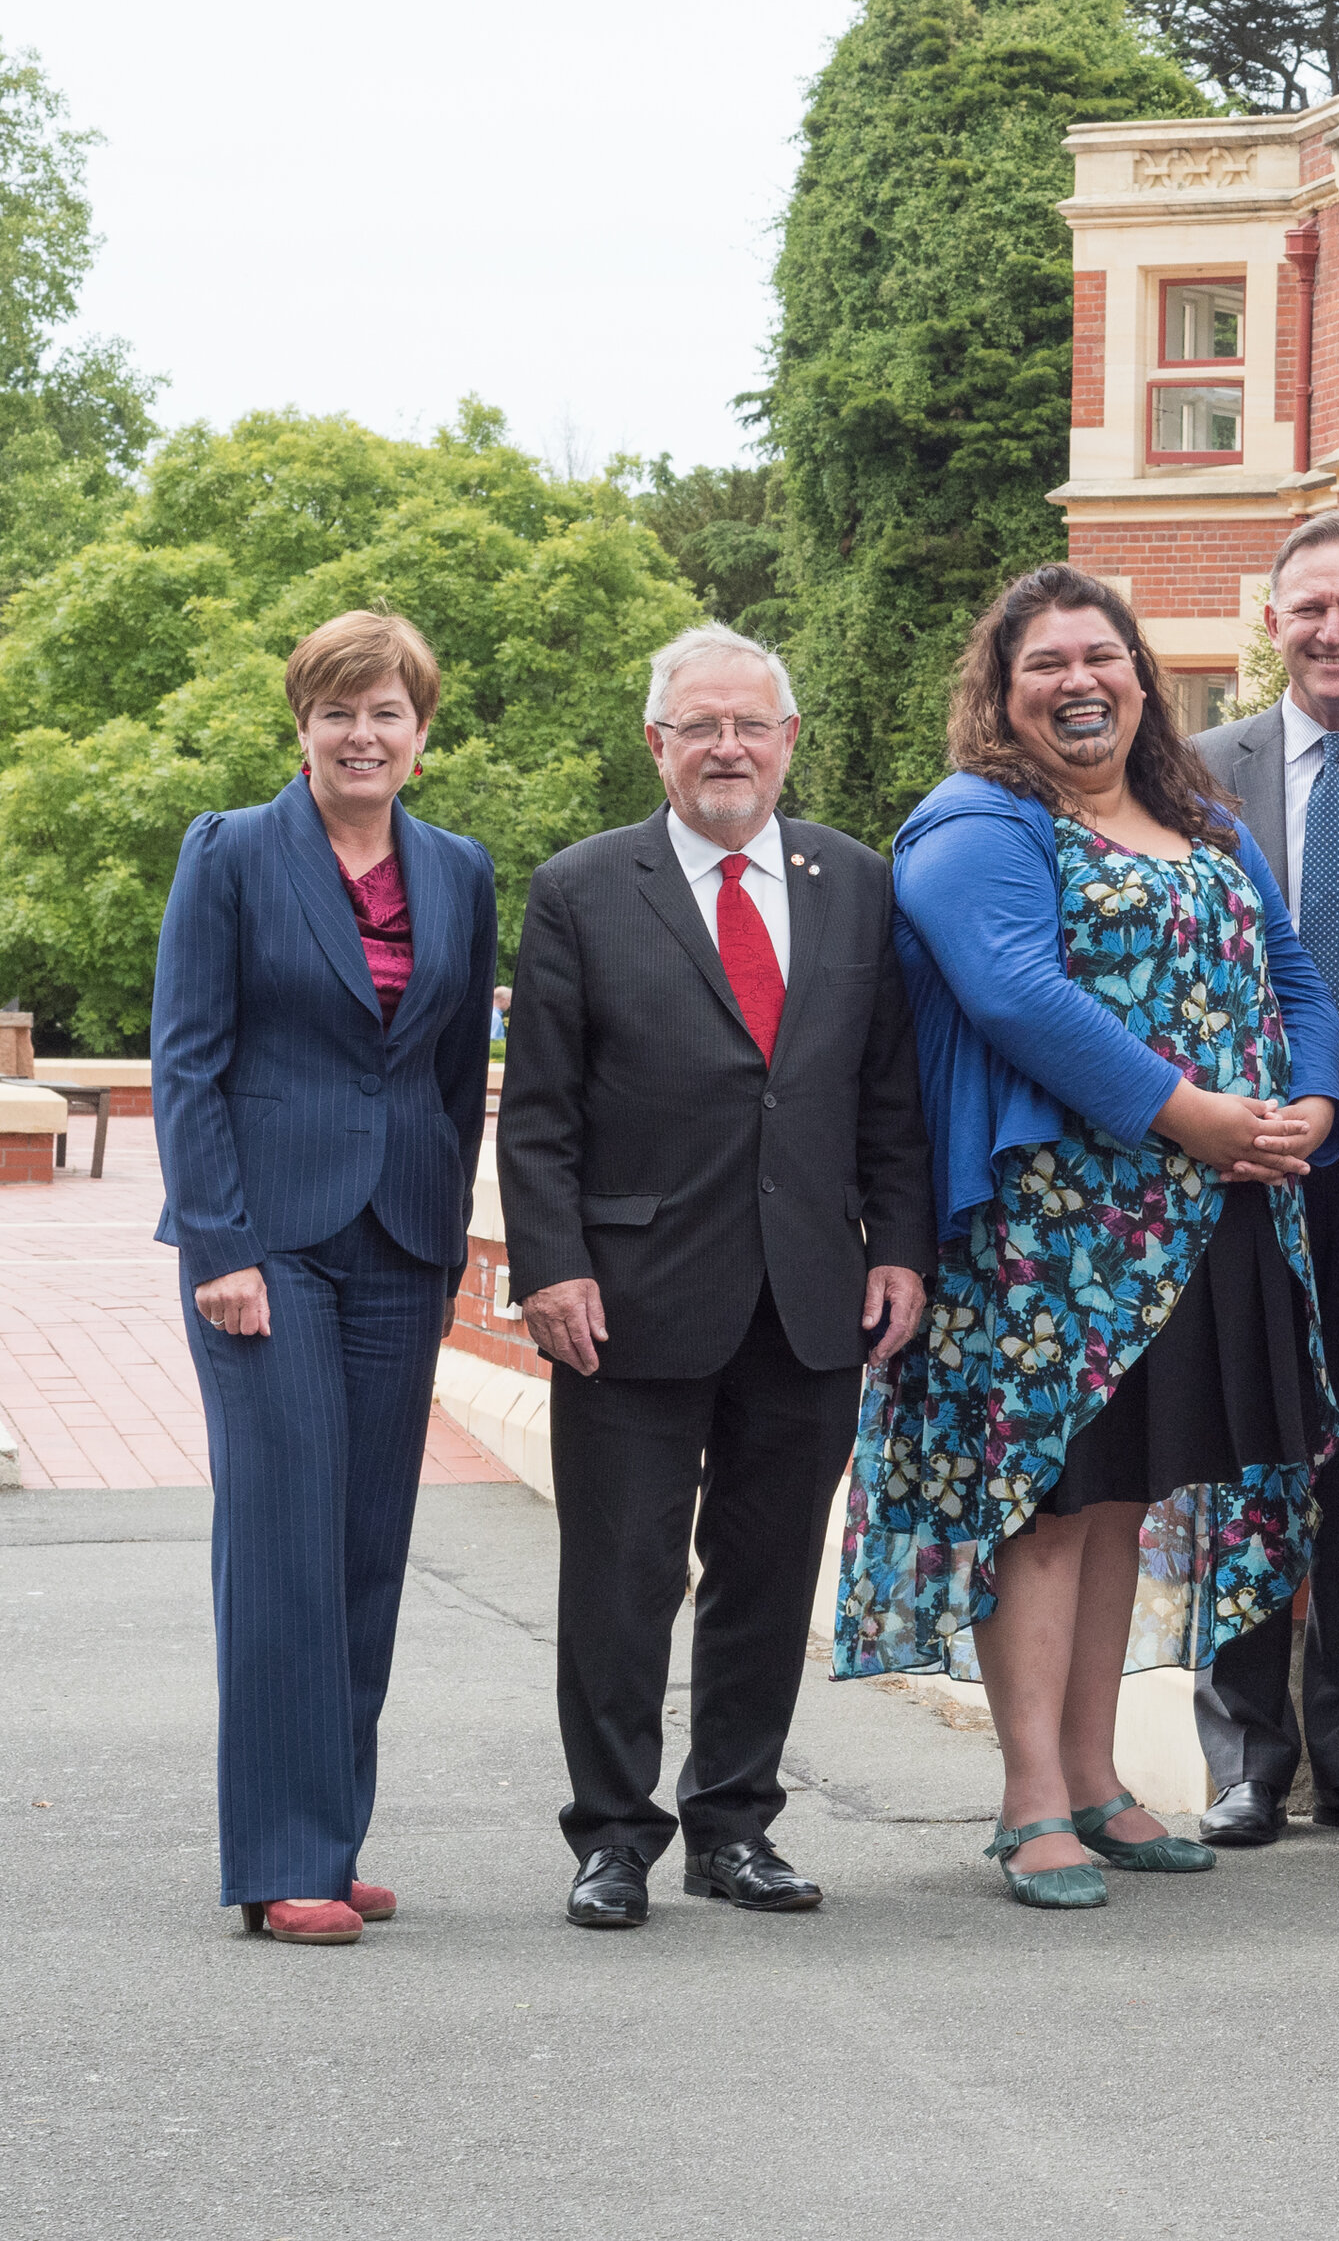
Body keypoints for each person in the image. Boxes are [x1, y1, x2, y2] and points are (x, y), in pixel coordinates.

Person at [835, 567, 1339, 1911]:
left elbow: (1295, 976)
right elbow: (1015, 991)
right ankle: (1029, 1801)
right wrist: (1194, 1115)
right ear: (1001, 692)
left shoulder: (1201, 815)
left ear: (1139, 672)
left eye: (1100, 654)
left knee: (1122, 1494)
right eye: (1046, 663)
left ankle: (1097, 1777)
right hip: (1051, 1236)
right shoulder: (977, 822)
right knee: (1046, 1508)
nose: (1079, 680)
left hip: (1202, 1224)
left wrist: (1309, 1103)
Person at [500, 625, 934, 1930]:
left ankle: (734, 1825)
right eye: (701, 725)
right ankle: (612, 1835)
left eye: (751, 724)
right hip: (629, 1295)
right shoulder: (582, 887)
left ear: (789, 739)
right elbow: (539, 1110)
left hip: (809, 1291)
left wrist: (899, 1244)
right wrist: (551, 1264)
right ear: (658, 743)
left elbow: (888, 1093)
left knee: (766, 1570)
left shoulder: (857, 882)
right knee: (620, 1575)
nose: (728, 747)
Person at [150, 609, 498, 1944]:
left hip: (399, 1241)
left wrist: (446, 1228)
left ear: (421, 731)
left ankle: (331, 1838)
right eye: (338, 710)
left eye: (386, 711)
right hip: (269, 1246)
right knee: (282, 1540)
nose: (363, 733)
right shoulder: (233, 851)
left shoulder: (457, 869)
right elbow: (188, 1056)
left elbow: (456, 1072)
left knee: (363, 1547)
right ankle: (280, 1855)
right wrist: (220, 1244)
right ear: (302, 725)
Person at [1185, 513, 1339, 1848]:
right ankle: (1247, 1754)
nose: (1332, 631)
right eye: (1308, 608)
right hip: (1241, 1147)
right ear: (1269, 623)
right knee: (1243, 1441)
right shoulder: (1199, 774)